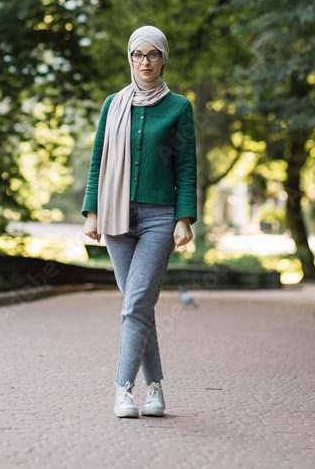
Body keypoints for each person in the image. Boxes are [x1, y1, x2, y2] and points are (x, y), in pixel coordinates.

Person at [82, 25, 198, 418]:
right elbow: (98, 160)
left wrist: (184, 218)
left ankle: (122, 390)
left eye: (152, 54)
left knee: (133, 305)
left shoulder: (179, 107)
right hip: (115, 217)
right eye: (137, 54)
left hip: (159, 218)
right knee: (140, 307)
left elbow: (186, 167)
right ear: (129, 58)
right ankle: (157, 391)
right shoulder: (113, 103)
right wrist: (92, 211)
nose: (144, 62)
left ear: (164, 57)